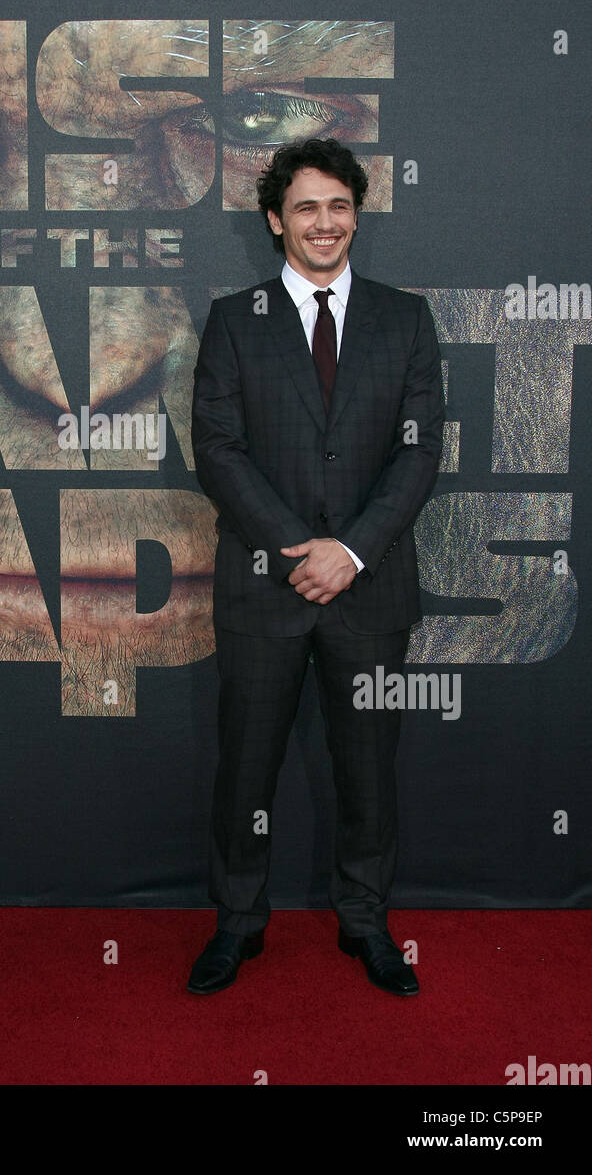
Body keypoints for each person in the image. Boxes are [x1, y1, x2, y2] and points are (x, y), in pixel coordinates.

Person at [188, 137, 444, 997]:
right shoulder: (234, 320)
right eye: (306, 207)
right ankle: (237, 925)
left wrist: (352, 551)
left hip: (369, 588)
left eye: (339, 205)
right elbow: (217, 452)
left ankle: (366, 923)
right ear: (276, 220)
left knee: (369, 771)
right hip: (264, 587)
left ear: (356, 214)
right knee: (245, 769)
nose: (324, 222)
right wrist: (299, 550)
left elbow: (419, 456)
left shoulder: (405, 319)